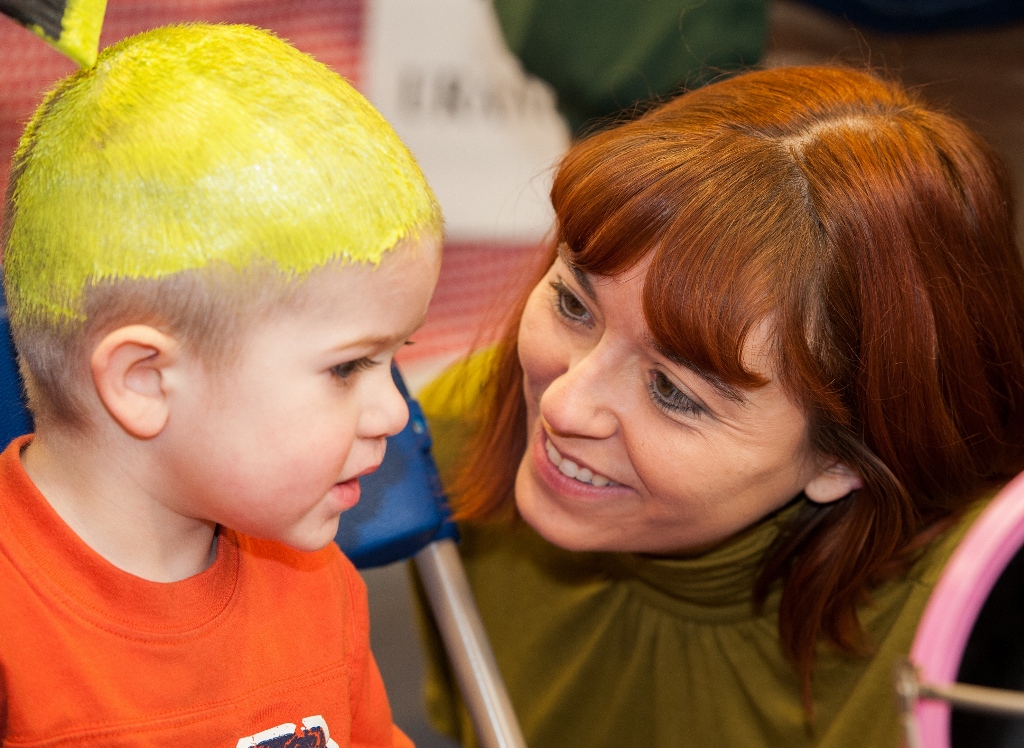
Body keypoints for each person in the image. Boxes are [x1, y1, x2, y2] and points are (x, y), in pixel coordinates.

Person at [415, 65, 1024, 747]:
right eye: (573, 305)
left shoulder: (984, 618)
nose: (563, 405)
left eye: (673, 391)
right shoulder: (448, 435)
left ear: (846, 457)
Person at [0, 23, 441, 747]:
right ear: (145, 382)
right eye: (347, 366)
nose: (395, 411)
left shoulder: (314, 581)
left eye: (399, 354)